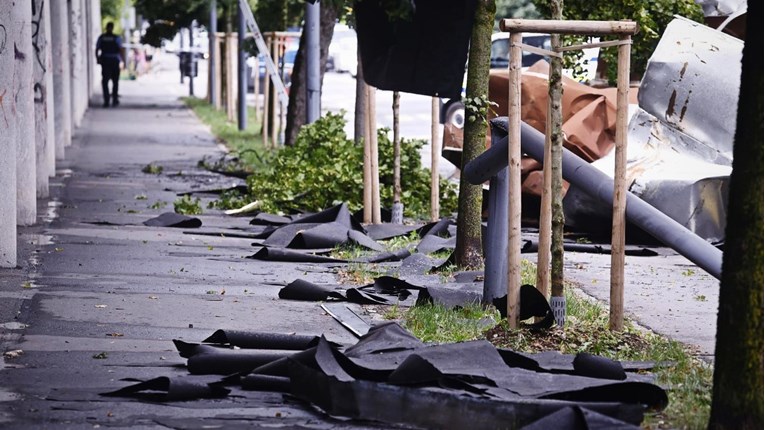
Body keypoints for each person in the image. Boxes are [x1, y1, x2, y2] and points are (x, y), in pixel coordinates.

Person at [95, 22, 123, 107]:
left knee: (107, 81)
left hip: (106, 60)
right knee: (114, 81)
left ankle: (108, 100)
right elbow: (121, 49)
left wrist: (98, 59)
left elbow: (97, 49)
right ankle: (113, 100)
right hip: (113, 60)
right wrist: (122, 60)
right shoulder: (116, 38)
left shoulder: (102, 37)